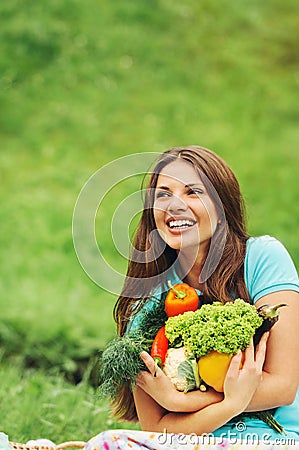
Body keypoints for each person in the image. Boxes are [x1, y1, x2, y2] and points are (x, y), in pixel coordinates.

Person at [94, 146, 299, 449]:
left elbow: (283, 387)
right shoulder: (147, 299)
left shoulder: (262, 258)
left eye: (193, 192)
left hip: (270, 441)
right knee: (108, 442)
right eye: (163, 195)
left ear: (221, 208)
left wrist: (176, 400)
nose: (175, 206)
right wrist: (229, 404)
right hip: (186, 444)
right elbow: (156, 427)